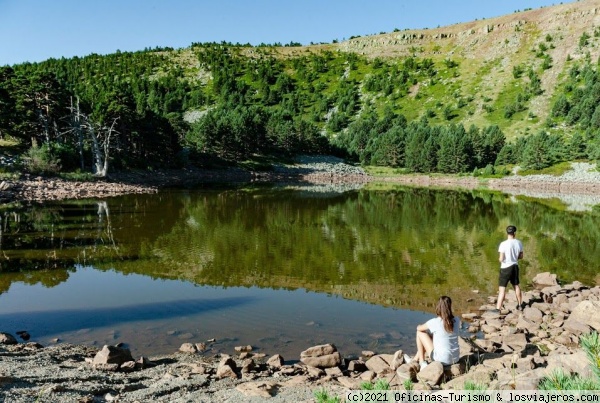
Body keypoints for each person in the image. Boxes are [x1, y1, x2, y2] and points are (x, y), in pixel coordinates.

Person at [405, 296, 460, 369]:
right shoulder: (457, 319)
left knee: (419, 333)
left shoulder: (435, 322)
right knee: (431, 336)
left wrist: (419, 325)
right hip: (455, 358)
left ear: (439, 307)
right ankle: (414, 360)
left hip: (442, 360)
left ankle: (422, 362)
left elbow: (419, 328)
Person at [495, 225, 524, 313]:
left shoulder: (503, 244)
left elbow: (501, 259)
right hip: (515, 266)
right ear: (514, 233)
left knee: (502, 289)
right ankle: (519, 305)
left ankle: (498, 309)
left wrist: (500, 259)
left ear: (507, 233)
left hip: (505, 268)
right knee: (516, 285)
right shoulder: (519, 243)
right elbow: (521, 256)